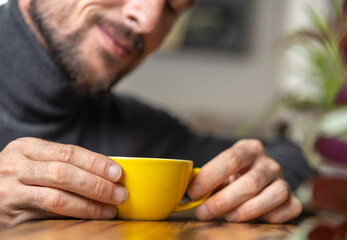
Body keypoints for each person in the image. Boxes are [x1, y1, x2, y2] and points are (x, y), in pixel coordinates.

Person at [0, 0, 313, 228]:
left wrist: (267, 179)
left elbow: (286, 155)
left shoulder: (142, 131)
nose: (148, 21)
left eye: (172, 8)